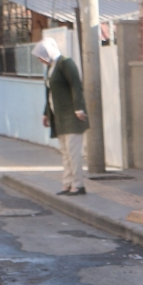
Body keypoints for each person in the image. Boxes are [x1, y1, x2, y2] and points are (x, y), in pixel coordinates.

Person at [32, 37, 89, 196]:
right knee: (65, 153)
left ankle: (78, 185)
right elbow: (50, 93)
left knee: (73, 153)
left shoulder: (65, 63)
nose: (40, 59)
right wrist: (46, 113)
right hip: (59, 117)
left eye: (41, 55)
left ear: (49, 52)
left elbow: (76, 85)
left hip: (72, 116)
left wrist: (78, 108)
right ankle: (67, 184)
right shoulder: (50, 68)